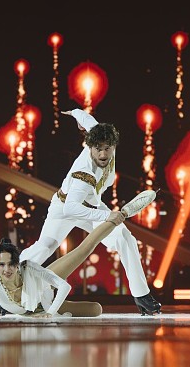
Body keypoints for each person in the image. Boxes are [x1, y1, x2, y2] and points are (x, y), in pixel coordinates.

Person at [18, 109, 162, 315]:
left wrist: (76, 113)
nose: (103, 154)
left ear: (113, 146)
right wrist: (107, 216)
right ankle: (7, 283)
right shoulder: (83, 173)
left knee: (125, 238)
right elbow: (71, 208)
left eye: (107, 149)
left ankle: (141, 296)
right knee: (46, 246)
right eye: (98, 149)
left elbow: (89, 121)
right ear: (90, 147)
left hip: (92, 205)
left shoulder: (102, 137)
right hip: (64, 208)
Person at [0, 189, 156, 320]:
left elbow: (64, 286)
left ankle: (122, 214)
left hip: (46, 293)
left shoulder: (29, 269)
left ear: (17, 264)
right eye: (1, 265)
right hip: (43, 307)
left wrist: (50, 312)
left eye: (10, 264)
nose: (6, 270)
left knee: (84, 248)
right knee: (96, 310)